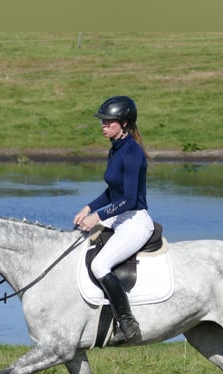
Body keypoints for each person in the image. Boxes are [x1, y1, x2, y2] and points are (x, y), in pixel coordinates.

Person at [73, 95, 154, 344]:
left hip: (134, 221)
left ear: (125, 123)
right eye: (103, 121)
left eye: (109, 121)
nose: (103, 125)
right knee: (77, 241)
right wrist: (89, 208)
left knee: (100, 266)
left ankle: (128, 323)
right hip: (118, 217)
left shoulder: (132, 153)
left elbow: (128, 199)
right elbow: (113, 191)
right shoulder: (115, 149)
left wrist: (98, 215)